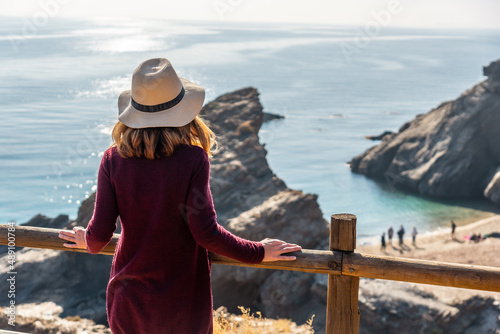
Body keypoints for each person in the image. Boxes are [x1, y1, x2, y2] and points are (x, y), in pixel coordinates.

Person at [58, 58, 302, 334]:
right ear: (183, 111)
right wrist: (259, 252)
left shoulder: (112, 159)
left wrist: (86, 239)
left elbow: (99, 236)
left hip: (128, 300)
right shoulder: (193, 159)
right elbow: (206, 233)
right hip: (181, 305)